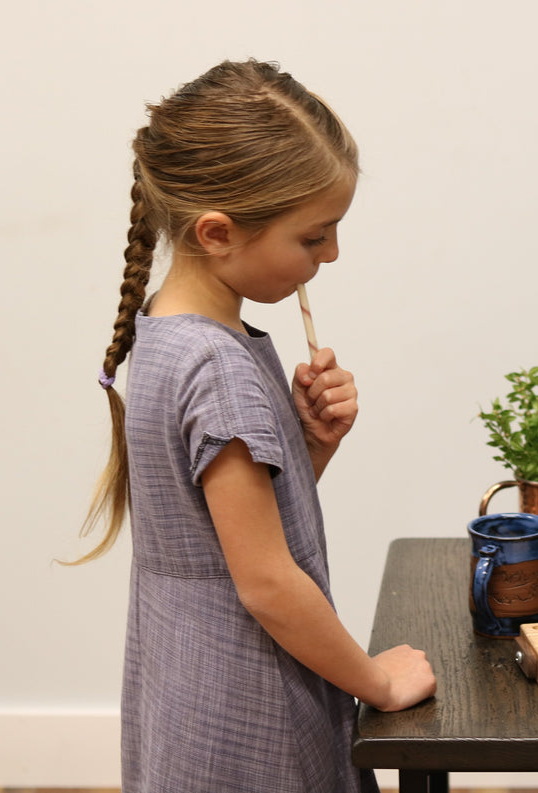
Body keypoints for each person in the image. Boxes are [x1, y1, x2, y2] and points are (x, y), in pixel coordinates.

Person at [69, 60, 436, 792]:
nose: (331, 254)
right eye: (314, 236)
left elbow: (221, 527)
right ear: (217, 232)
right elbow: (266, 581)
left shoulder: (166, 333)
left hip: (183, 684)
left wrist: (308, 446)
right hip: (248, 706)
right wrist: (377, 682)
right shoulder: (217, 366)